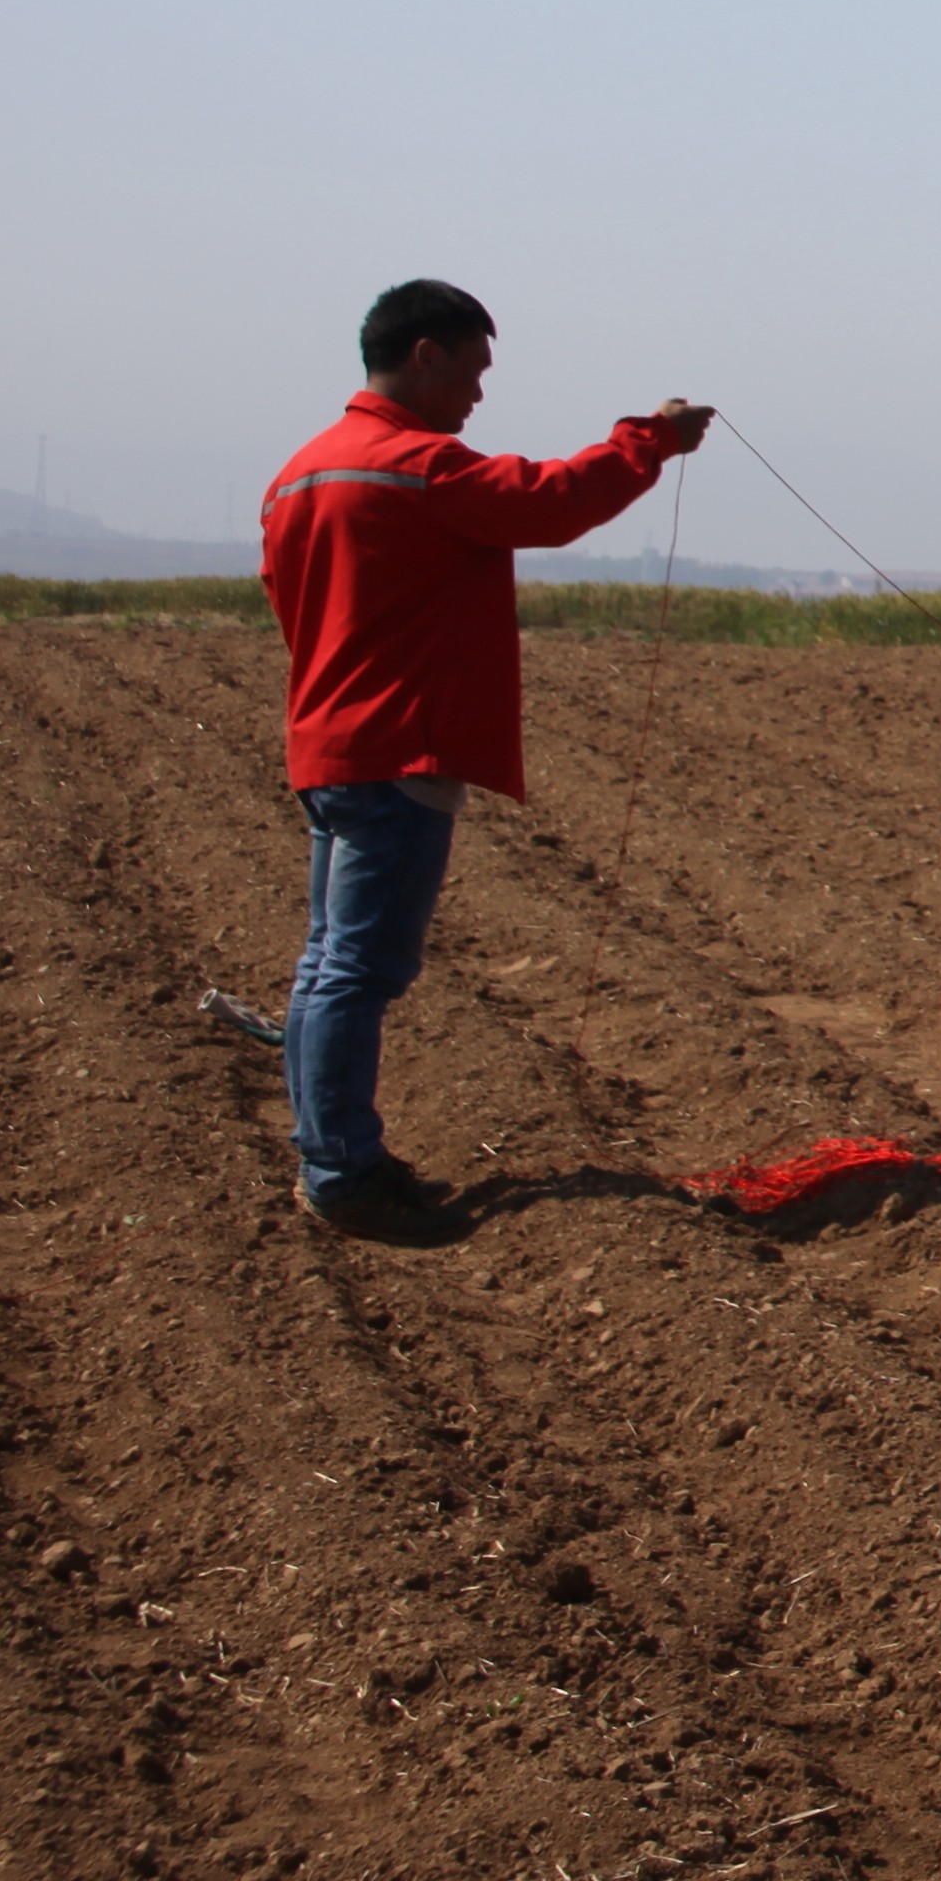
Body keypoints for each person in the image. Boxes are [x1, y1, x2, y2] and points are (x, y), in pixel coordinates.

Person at [260, 280, 712, 1238]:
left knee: (325, 964)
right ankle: (339, 1170)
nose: (476, 396)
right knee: (358, 971)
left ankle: (333, 1150)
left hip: (327, 748)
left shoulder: (300, 474)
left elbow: (289, 602)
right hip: (397, 752)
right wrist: (652, 439)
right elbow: (548, 503)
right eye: (472, 371)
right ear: (426, 354)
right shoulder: (418, 468)